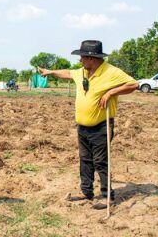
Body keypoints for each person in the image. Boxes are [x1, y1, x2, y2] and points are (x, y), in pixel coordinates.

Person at [39, 40, 138, 207]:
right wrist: (50, 72)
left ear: (91, 58)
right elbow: (67, 73)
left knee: (100, 161)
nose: (80, 61)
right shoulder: (82, 72)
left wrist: (111, 92)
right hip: (83, 127)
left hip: (102, 126)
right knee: (85, 159)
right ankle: (87, 192)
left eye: (82, 57)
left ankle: (108, 196)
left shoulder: (111, 72)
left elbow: (134, 84)